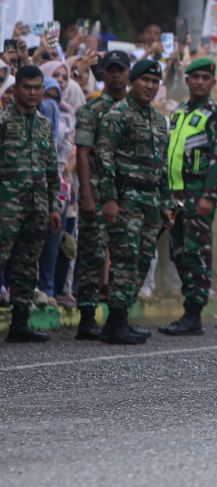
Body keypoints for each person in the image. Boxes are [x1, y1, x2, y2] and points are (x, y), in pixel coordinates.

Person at [96, 60, 174, 345]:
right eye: (145, 81)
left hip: (150, 200)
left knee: (142, 261)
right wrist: (109, 199)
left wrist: (166, 203)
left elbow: (161, 165)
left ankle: (121, 318)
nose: (150, 86)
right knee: (125, 260)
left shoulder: (157, 120)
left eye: (155, 82)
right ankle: (114, 323)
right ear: (133, 82)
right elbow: (103, 158)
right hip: (126, 199)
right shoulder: (118, 114)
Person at [158, 58, 217, 336]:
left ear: (212, 83)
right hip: (175, 196)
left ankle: (194, 314)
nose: (199, 82)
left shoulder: (216, 116)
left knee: (196, 254)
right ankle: (188, 310)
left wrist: (209, 196)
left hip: (198, 195)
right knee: (179, 254)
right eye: (194, 77)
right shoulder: (178, 113)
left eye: (205, 77)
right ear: (187, 81)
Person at [74, 50, 133, 340]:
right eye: (111, 69)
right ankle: (86, 316)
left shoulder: (137, 111)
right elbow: (83, 154)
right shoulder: (92, 110)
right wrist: (85, 194)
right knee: (92, 253)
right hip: (96, 191)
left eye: (121, 70)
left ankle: (118, 318)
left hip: (128, 193)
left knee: (124, 255)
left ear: (128, 73)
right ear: (103, 73)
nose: (116, 75)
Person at [0, 65, 61, 342]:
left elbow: (51, 170)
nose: (33, 92)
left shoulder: (44, 126)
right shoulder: (3, 122)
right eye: (28, 87)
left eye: (38, 87)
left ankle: (20, 323)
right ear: (16, 90)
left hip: (36, 208)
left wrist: (54, 206)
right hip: (6, 206)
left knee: (27, 266)